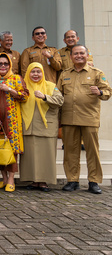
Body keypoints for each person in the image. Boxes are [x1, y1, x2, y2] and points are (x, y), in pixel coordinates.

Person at [57, 44, 111, 194]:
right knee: (70, 151)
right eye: (75, 54)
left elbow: (107, 92)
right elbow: (57, 94)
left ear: (87, 55)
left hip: (89, 118)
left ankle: (94, 181)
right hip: (69, 118)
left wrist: (99, 91)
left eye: (82, 53)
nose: (79, 56)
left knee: (92, 151)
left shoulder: (96, 73)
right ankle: (72, 180)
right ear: (71, 56)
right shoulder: (65, 74)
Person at [0, 53, 29, 192]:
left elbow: (24, 96)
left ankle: (11, 179)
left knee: (12, 149)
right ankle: (4, 178)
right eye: (0, 64)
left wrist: (10, 90)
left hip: (12, 121)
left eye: (6, 64)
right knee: (0, 147)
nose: (3, 66)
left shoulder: (16, 78)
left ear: (10, 65)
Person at [20, 63, 64, 191]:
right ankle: (34, 181)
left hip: (46, 127)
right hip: (28, 126)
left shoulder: (51, 86)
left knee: (46, 155)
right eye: (32, 72)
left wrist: (45, 97)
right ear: (28, 72)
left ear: (42, 73)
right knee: (30, 156)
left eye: (38, 72)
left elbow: (60, 101)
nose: (35, 74)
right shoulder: (23, 87)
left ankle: (44, 181)